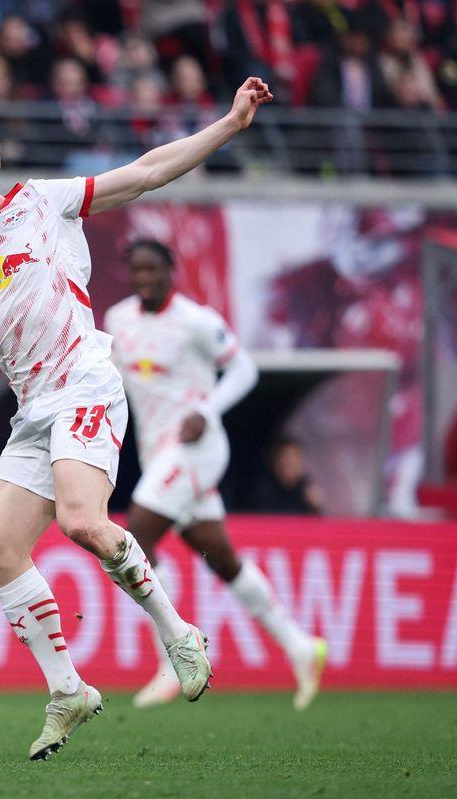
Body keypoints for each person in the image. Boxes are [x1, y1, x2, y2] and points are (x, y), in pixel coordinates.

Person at [0, 76, 275, 759]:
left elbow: (147, 171)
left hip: (86, 383)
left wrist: (229, 124)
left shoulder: (45, 201)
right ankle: (67, 689)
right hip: (31, 409)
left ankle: (178, 631)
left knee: (82, 521)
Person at [103, 240, 326, 711]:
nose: (144, 277)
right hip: (158, 455)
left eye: (153, 269)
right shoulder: (118, 320)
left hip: (198, 450)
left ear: (171, 271)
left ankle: (175, 654)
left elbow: (244, 368)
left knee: (135, 538)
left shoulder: (196, 321)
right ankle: (300, 647)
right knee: (221, 557)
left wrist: (207, 408)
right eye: (136, 269)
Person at [252, 435, 324, 514]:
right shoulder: (264, 493)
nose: (290, 462)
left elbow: (316, 523)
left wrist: (315, 507)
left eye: (295, 458)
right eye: (285, 459)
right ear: (275, 463)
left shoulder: (306, 488)